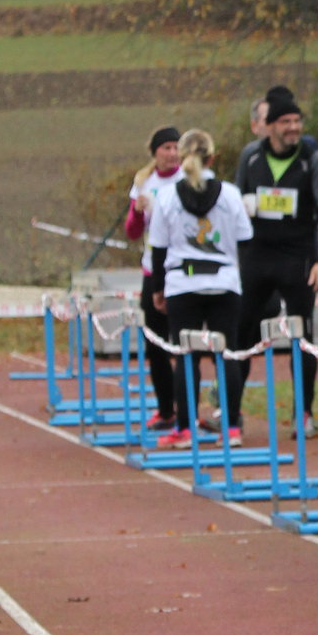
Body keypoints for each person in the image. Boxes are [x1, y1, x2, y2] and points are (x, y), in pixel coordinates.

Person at [235, 86, 318, 428]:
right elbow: (234, 204)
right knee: (242, 334)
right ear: (270, 126)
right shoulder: (251, 157)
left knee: (302, 337)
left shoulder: (313, 159)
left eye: (297, 121)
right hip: (257, 256)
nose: (293, 128)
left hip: (298, 258)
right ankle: (230, 412)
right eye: (286, 122)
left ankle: (303, 413)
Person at [147, 130, 253, 445]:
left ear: (181, 157)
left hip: (183, 283)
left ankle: (184, 428)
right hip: (224, 282)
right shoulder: (230, 194)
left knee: (186, 356)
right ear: (212, 158)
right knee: (227, 354)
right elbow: (246, 240)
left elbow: (158, 248)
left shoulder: (167, 197)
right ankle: (231, 428)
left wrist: (157, 289)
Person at [125, 125, 183, 428]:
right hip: (153, 270)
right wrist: (137, 210)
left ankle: (189, 408)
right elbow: (132, 231)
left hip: (184, 270)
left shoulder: (189, 179)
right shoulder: (143, 182)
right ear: (155, 152)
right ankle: (165, 409)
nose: (172, 153)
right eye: (166, 148)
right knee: (156, 344)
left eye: (176, 147)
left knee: (185, 341)